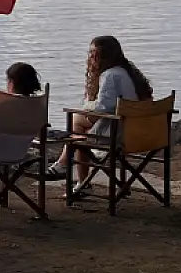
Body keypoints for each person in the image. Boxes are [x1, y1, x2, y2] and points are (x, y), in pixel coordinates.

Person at [48, 37, 153, 190]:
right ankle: (72, 172)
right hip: (139, 132)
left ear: (105, 55)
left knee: (77, 125)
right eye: (90, 52)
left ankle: (69, 170)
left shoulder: (110, 75)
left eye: (94, 53)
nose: (91, 57)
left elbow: (104, 106)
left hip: (120, 134)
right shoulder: (128, 72)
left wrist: (87, 106)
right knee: (80, 131)